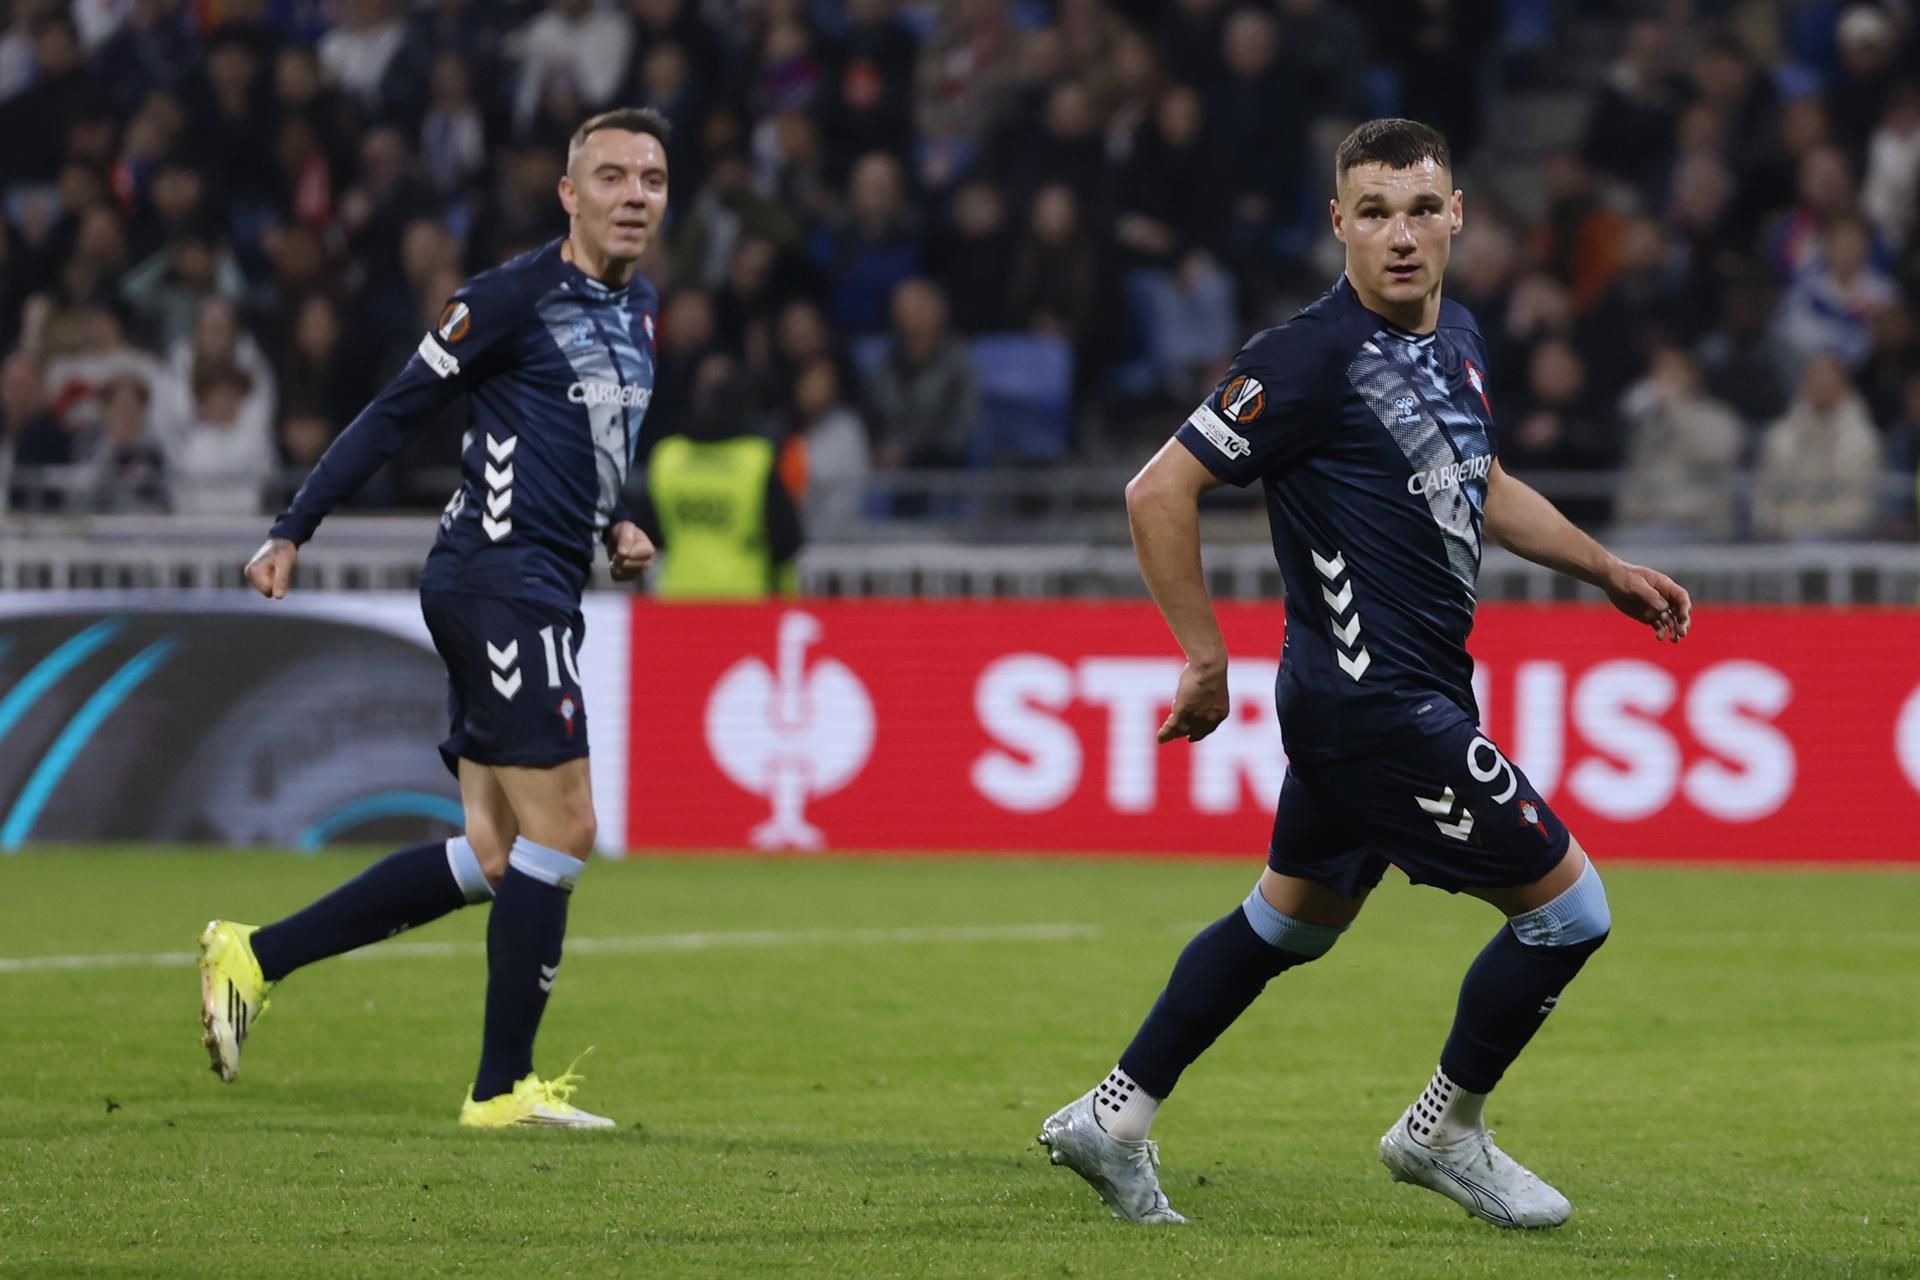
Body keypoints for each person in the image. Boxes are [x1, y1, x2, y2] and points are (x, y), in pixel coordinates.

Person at [1037, 119, 1692, 1229]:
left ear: (1459, 216)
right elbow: (1158, 491)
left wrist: (1603, 566)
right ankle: (1444, 1127)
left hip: (1402, 696)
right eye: (1375, 212)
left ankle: (1113, 1114)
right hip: (1374, 705)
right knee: (1570, 912)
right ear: (1338, 221)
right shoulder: (1302, 359)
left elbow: (1478, 478)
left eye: (1421, 209)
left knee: (1286, 924)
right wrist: (1204, 653)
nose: (1401, 235)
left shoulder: (1461, 338)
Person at [198, 107, 669, 1131]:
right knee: (571, 823)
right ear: (570, 193)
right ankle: (500, 1090)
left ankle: (253, 953)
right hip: (496, 579)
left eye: (653, 179)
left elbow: (582, 447)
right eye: (614, 176)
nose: (636, 195)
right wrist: (293, 527)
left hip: (537, 578)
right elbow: (396, 408)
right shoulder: (507, 296)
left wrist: (617, 526)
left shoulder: (641, 313)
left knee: (496, 854)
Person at [632, 357, 803, 598]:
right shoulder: (755, 460)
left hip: (679, 598)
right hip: (743, 601)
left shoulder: (669, 457)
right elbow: (787, 541)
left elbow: (647, 532)